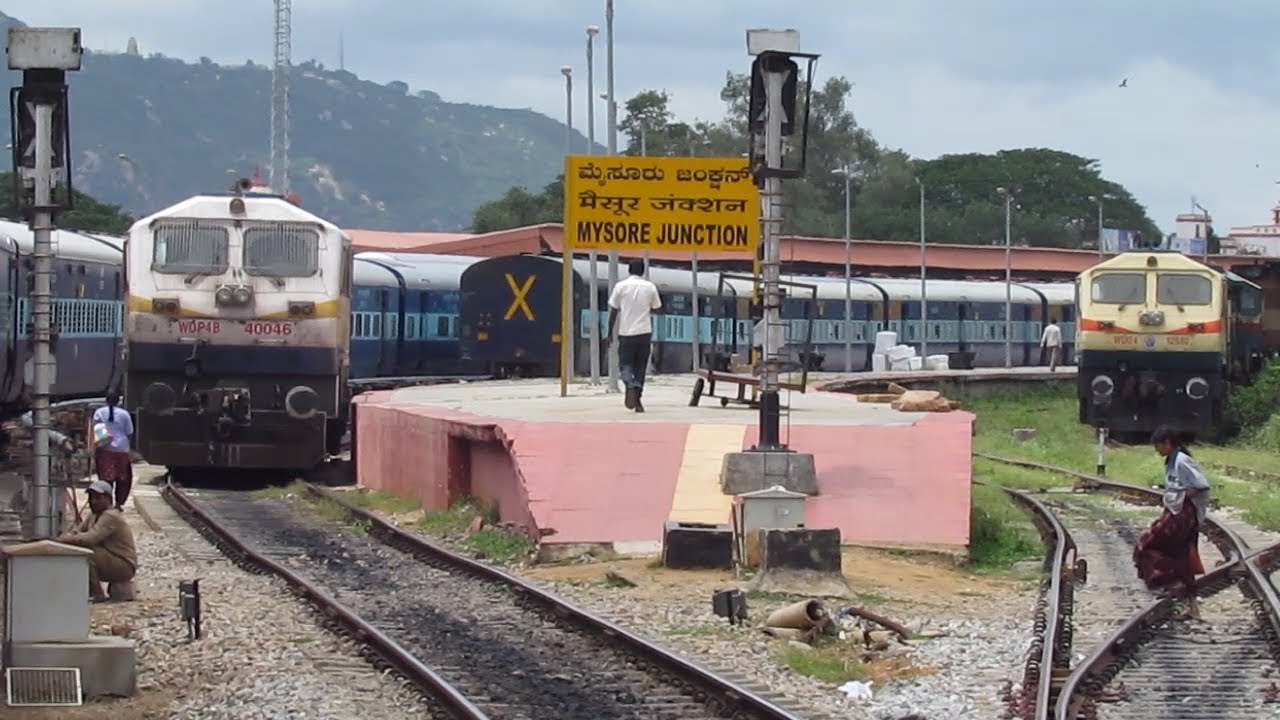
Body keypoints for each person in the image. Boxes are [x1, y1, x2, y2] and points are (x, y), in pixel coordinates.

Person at [1133, 425, 1210, 620]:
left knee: (1148, 545)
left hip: (1182, 516)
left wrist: (1181, 500)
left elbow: (1201, 485)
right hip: (1177, 513)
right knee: (1181, 557)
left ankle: (1166, 583)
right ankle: (1192, 606)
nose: (1157, 450)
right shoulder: (1172, 461)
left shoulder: (1183, 461)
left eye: (1158, 445)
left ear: (1168, 443)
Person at [57, 479, 138, 603]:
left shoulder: (111, 516)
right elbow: (78, 530)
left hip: (124, 564)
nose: (93, 501)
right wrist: (69, 536)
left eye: (98, 498)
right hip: (113, 559)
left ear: (108, 499)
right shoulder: (94, 515)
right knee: (80, 548)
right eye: (91, 497)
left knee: (87, 552)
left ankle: (97, 593)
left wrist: (66, 539)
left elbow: (90, 538)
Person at [606, 258, 662, 413]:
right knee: (640, 368)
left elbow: (614, 311)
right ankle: (638, 401)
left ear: (629, 270)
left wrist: (609, 333)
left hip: (626, 333)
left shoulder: (620, 287)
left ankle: (630, 384)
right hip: (645, 333)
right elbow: (658, 308)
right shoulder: (650, 287)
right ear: (643, 271)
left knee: (625, 365)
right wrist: (645, 309)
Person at [92, 393, 134, 509]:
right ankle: (119, 503)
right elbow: (129, 431)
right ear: (117, 402)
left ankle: (106, 502)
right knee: (123, 478)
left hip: (105, 449)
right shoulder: (124, 414)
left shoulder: (99, 412)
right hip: (122, 449)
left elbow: (97, 429)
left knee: (106, 477)